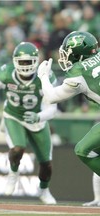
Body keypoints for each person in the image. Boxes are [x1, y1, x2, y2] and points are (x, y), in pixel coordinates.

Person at [0, 42, 58, 204]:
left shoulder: (44, 77)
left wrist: (40, 117)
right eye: (22, 62)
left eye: (28, 62)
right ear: (14, 61)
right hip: (13, 116)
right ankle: (13, 173)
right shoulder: (7, 73)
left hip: (36, 120)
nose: (25, 66)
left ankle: (43, 190)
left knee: (46, 163)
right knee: (18, 148)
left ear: (36, 61)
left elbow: (53, 108)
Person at [37, 30, 100, 205]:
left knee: (84, 150)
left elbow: (51, 97)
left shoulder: (78, 72)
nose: (64, 56)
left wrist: (43, 76)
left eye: (68, 52)